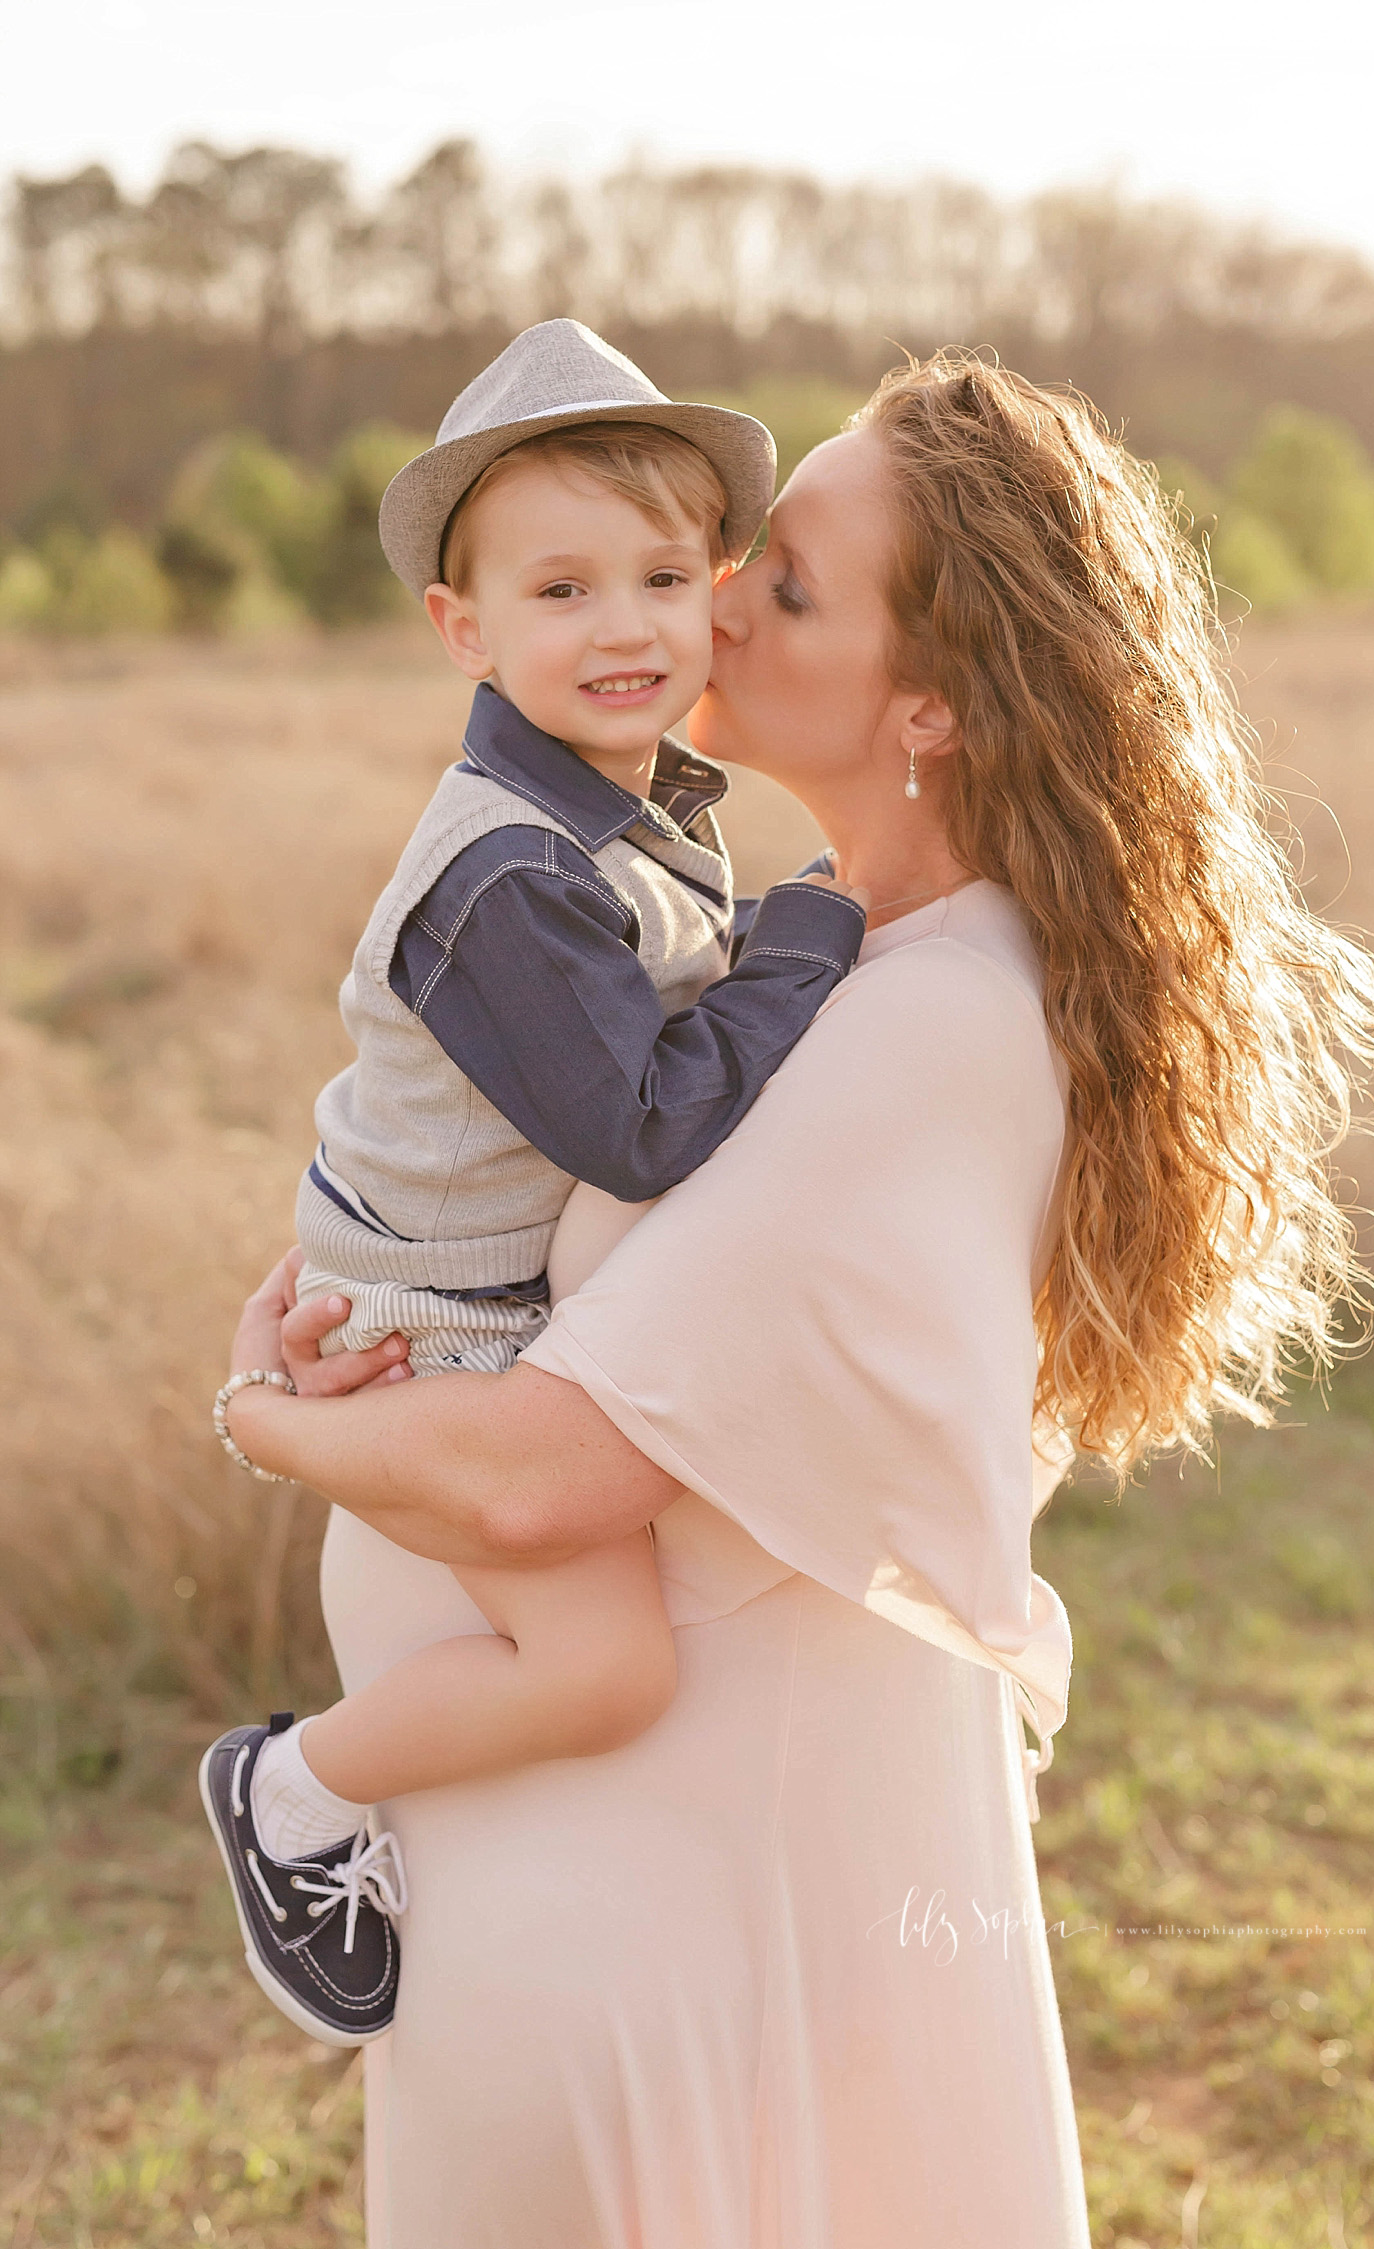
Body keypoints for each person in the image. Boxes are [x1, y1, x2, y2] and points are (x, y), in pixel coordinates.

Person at [220, 352, 1374, 2247]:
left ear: (934, 705)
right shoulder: (804, 948)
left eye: (779, 583)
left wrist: (267, 1420)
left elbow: (559, 1478)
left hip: (670, 1903)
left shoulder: (925, 1018)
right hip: (607, 1863)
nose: (707, 599)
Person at [199, 319, 868, 2047]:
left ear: (714, 586)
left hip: (479, 1285)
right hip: (433, 1317)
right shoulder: (507, 872)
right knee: (608, 1664)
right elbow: (639, 1126)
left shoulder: (625, 806)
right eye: (559, 590)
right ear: (463, 628)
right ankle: (291, 1791)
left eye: (658, 573)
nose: (624, 624)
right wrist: (812, 925)